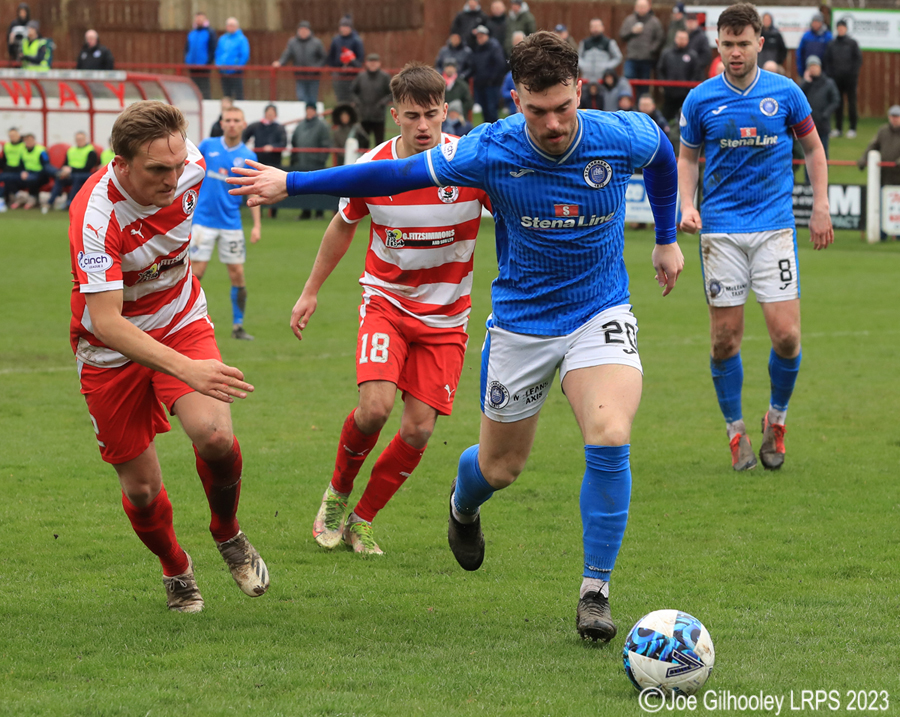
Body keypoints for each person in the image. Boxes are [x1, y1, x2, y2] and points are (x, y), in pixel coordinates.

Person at [228, 31, 684, 642]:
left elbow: (661, 156)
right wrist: (294, 184)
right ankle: (462, 504)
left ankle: (595, 591)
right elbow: (394, 176)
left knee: (610, 434)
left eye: (563, 108)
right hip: (521, 323)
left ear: (581, 88)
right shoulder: (488, 149)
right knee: (499, 468)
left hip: (599, 311)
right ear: (514, 97)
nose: (551, 124)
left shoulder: (621, 132)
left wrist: (665, 236)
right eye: (536, 110)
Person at [68, 100, 268, 613]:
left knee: (216, 436)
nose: (173, 178)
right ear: (121, 165)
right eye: (158, 169)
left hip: (180, 319)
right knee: (141, 489)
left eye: (178, 165)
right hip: (110, 351)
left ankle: (227, 533)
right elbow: (108, 321)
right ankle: (176, 567)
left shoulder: (191, 166)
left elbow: (190, 167)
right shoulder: (94, 214)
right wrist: (186, 369)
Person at [287, 63, 492, 555]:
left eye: (431, 115)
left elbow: (509, 216)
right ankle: (337, 496)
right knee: (374, 408)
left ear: (446, 111)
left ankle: (363, 519)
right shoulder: (372, 168)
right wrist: (310, 289)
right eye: (412, 116)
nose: (423, 126)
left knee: (419, 429)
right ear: (394, 114)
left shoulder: (469, 164)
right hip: (387, 304)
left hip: (447, 319)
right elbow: (342, 224)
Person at [678, 3, 834, 473]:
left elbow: (813, 148)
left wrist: (821, 205)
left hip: (775, 229)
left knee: (786, 336)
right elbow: (687, 157)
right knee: (725, 340)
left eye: (743, 43)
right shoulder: (700, 99)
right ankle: (736, 432)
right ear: (718, 44)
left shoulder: (785, 92)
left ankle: (777, 421)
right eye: (727, 44)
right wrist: (688, 204)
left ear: (760, 43)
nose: (735, 52)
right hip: (721, 232)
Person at [192, 106, 262, 341]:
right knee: (196, 272)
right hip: (203, 221)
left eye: (236, 120)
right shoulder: (207, 146)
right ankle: (184, 322)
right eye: (228, 120)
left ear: (243, 124)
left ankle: (238, 326)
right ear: (221, 123)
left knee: (237, 274)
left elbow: (255, 193)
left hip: (231, 223)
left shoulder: (249, 157)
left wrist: (257, 225)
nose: (232, 124)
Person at [242, 104, 286, 218]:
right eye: (268, 113)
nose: (270, 115)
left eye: (272, 113)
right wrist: (243, 148)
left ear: (275, 115)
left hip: (274, 163)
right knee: (257, 188)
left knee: (276, 187)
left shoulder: (279, 128)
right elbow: (243, 136)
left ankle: (273, 213)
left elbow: (283, 143)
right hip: (259, 162)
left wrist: (273, 147)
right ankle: (258, 212)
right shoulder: (257, 126)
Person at [290, 105, 331, 219]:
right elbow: (294, 142)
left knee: (319, 189)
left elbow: (326, 144)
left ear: (315, 111)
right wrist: (295, 160)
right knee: (303, 189)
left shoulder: (322, 126)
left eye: (311, 110)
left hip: (317, 164)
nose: (309, 112)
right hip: (302, 162)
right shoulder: (300, 126)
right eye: (307, 110)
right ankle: (305, 212)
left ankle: (319, 213)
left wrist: (320, 160)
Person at [273, 21, 326, 106]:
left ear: (309, 31)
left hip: (313, 76)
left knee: (312, 98)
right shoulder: (293, 42)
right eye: (301, 30)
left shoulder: (316, 42)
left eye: (305, 30)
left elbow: (323, 57)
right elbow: (287, 54)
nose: (303, 32)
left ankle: (312, 116)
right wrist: (280, 62)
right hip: (299, 75)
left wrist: (317, 68)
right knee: (301, 97)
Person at [824, 20, 862, 140]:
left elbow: (858, 60)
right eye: (839, 28)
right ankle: (838, 129)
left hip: (850, 79)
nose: (841, 30)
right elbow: (827, 61)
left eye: (842, 28)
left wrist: (853, 73)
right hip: (836, 79)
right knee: (837, 103)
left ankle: (852, 128)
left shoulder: (852, 43)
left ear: (845, 29)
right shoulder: (832, 44)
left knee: (852, 103)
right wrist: (831, 75)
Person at [619, 0, 664, 97]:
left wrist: (651, 49)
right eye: (639, 6)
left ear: (649, 8)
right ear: (635, 7)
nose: (641, 9)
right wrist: (632, 31)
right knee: (628, 84)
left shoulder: (654, 22)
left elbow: (660, 38)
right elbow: (622, 35)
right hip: (631, 58)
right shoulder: (629, 20)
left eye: (643, 6)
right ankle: (628, 107)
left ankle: (642, 107)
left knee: (644, 87)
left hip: (646, 59)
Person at [47, 130, 98, 211]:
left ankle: (70, 202)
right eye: (77, 139)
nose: (79, 141)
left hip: (85, 174)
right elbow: (65, 164)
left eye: (81, 139)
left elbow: (88, 167)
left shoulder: (91, 151)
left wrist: (71, 170)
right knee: (60, 177)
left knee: (76, 178)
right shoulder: (71, 150)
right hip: (71, 174)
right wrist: (64, 171)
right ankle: (49, 202)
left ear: (86, 139)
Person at [800, 56, 839, 158]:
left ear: (820, 67)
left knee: (823, 151)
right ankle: (808, 174)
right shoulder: (806, 84)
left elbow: (835, 100)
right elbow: (798, 98)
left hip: (823, 124)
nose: (813, 69)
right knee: (808, 153)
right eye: (810, 67)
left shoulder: (828, 83)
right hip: (808, 123)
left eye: (815, 66)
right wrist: (806, 82)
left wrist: (825, 114)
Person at [350, 53, 393, 147]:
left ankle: (379, 162)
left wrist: (383, 103)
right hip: (363, 116)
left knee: (379, 143)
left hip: (379, 117)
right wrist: (358, 102)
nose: (373, 64)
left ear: (379, 63)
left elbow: (391, 93)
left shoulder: (385, 77)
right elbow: (352, 91)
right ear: (366, 63)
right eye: (370, 62)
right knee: (363, 142)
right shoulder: (361, 76)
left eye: (375, 62)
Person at [656, 29, 698, 122]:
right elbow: (660, 70)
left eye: (684, 38)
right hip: (669, 94)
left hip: (686, 95)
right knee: (666, 119)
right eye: (679, 38)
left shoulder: (692, 55)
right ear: (675, 39)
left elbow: (696, 73)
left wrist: (689, 88)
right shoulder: (667, 53)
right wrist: (664, 86)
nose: (681, 40)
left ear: (687, 40)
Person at [470, 24, 506, 124]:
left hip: (491, 85)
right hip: (480, 85)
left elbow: (500, 64)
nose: (479, 38)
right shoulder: (477, 49)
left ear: (487, 35)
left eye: (481, 36)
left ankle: (495, 132)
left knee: (492, 110)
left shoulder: (494, 47)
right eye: (478, 36)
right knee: (484, 110)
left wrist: (492, 79)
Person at [857, 106, 900, 187]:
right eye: (892, 116)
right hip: (885, 174)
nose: (894, 119)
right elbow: (873, 146)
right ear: (889, 117)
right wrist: (864, 158)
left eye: (897, 117)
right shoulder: (883, 130)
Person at [8, 131, 53, 208]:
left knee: (32, 179)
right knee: (9, 178)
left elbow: (46, 166)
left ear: (34, 141)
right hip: (27, 173)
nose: (28, 143)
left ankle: (32, 199)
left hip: (40, 174)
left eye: (30, 141)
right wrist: (22, 172)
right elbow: (20, 165)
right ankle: (20, 197)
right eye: (26, 141)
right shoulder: (23, 151)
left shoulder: (41, 150)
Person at [327, 16, 364, 104]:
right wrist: (334, 70)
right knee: (340, 98)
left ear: (350, 28)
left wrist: (353, 65)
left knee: (353, 98)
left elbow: (360, 58)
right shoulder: (336, 40)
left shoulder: (357, 40)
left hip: (352, 75)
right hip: (338, 74)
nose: (344, 29)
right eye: (342, 27)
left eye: (346, 27)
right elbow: (330, 57)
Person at [578, 18, 623, 85]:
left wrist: (607, 66)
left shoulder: (609, 42)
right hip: (587, 79)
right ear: (590, 28)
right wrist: (584, 66)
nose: (595, 28)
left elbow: (618, 57)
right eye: (593, 26)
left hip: (602, 80)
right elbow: (577, 57)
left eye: (597, 26)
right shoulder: (584, 43)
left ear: (602, 27)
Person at [184, 12, 217, 99]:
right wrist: (187, 60)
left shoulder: (210, 32)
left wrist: (207, 62)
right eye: (197, 19)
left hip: (204, 66)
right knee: (193, 86)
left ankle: (206, 101)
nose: (198, 21)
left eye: (201, 19)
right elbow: (187, 48)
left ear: (205, 20)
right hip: (192, 65)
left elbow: (212, 49)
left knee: (204, 86)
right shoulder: (192, 33)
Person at [215, 17, 249, 100]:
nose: (230, 27)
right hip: (223, 71)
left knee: (238, 94)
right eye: (229, 25)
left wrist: (237, 67)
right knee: (226, 95)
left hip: (236, 72)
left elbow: (244, 55)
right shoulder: (222, 39)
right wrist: (218, 64)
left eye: (232, 25)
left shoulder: (242, 39)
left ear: (237, 27)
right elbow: (218, 53)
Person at [797, 12, 831, 77]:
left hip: (823, 72)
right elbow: (800, 53)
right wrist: (801, 70)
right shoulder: (806, 36)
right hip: (807, 71)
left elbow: (830, 55)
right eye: (814, 22)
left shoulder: (827, 36)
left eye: (817, 22)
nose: (815, 24)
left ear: (821, 23)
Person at [0, 127, 25, 207]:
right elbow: (3, 160)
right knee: (6, 179)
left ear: (18, 135)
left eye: (14, 135)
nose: (12, 137)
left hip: (19, 171)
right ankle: (17, 195)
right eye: (10, 135)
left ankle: (2, 200)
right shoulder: (6, 146)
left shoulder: (24, 146)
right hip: (8, 170)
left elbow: (26, 160)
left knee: (7, 179)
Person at [684, 13, 711, 79]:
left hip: (696, 74)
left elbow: (706, 55)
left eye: (692, 22)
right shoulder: (683, 35)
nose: (690, 24)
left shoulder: (702, 37)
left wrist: (694, 65)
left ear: (696, 22)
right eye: (688, 22)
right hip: (684, 72)